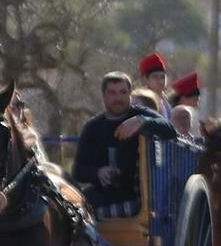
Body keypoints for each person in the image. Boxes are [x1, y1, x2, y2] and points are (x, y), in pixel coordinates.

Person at [69, 71, 175, 214]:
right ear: (104, 96)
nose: (118, 98)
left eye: (123, 92)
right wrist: (98, 172)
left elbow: (170, 130)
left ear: (129, 94)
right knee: (71, 209)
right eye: (112, 93)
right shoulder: (92, 128)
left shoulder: (141, 114)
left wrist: (142, 122)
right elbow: (78, 171)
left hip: (139, 197)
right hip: (103, 194)